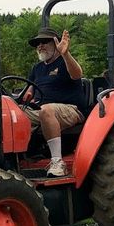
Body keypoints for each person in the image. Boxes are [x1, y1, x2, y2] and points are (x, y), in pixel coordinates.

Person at [21, 27, 85, 177]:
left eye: (45, 42)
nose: (40, 46)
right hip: (40, 109)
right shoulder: (37, 68)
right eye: (38, 43)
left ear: (56, 44)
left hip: (70, 109)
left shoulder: (65, 62)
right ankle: (15, 159)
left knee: (46, 110)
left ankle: (57, 162)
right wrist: (25, 96)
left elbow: (77, 75)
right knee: (8, 113)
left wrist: (66, 54)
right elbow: (29, 90)